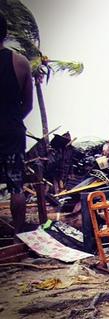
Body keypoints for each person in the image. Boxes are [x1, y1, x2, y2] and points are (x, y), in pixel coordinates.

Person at [0, 14, 33, 234]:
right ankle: (18, 236)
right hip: (12, 131)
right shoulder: (20, 62)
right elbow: (28, 104)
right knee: (16, 186)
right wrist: (11, 119)